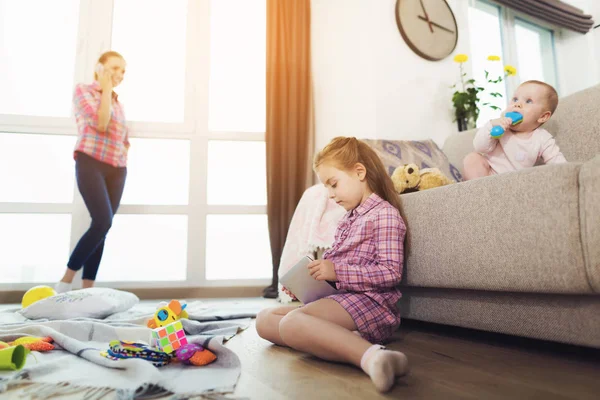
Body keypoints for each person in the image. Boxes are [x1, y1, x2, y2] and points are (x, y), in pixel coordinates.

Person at [256, 137, 409, 393]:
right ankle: (337, 339)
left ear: (359, 172)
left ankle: (374, 357)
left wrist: (336, 271)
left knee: (291, 323)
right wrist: (310, 285)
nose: (330, 195)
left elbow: (391, 273)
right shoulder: (347, 219)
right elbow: (336, 274)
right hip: (344, 300)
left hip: (371, 304)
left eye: (333, 184)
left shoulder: (384, 214)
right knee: (264, 320)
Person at [55, 51, 130, 293]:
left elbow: (122, 137)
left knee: (103, 227)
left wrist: (124, 153)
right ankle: (66, 282)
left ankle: (87, 290)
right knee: (102, 220)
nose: (119, 74)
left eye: (123, 71)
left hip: (117, 169)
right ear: (100, 67)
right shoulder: (83, 91)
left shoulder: (118, 103)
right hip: (91, 162)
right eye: (115, 68)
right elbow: (101, 123)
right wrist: (106, 89)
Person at [463, 80, 566, 180]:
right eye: (515, 99)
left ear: (543, 116)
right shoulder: (501, 128)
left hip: (514, 182)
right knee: (472, 158)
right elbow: (480, 147)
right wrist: (491, 125)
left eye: (528, 101)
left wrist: (566, 175)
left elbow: (557, 162)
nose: (517, 104)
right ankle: (479, 193)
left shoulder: (542, 138)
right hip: (487, 175)